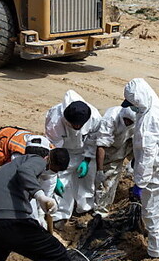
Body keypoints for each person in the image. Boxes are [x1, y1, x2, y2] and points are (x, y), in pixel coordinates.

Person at [123, 78, 159, 259]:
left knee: (152, 211)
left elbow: (147, 157)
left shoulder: (149, 121)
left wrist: (140, 183)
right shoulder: (158, 105)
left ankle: (158, 251)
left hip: (158, 173)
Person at [0, 149, 71, 261]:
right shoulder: (37, 160)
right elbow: (25, 171)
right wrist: (40, 196)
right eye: (53, 169)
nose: (50, 172)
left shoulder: (11, 169)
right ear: (48, 158)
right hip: (11, 222)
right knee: (57, 253)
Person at [45, 91, 103, 226]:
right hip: (63, 152)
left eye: (80, 125)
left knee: (87, 180)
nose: (77, 127)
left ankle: (84, 209)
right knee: (64, 182)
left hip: (84, 150)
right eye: (74, 125)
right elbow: (54, 148)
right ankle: (61, 215)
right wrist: (55, 176)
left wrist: (87, 160)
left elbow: (94, 139)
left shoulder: (94, 117)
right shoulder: (55, 121)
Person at [93, 105, 136, 215]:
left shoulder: (139, 120)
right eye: (125, 121)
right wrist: (100, 170)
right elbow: (101, 145)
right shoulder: (111, 118)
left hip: (128, 143)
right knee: (107, 178)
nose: (127, 123)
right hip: (110, 147)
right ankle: (100, 209)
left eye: (129, 122)